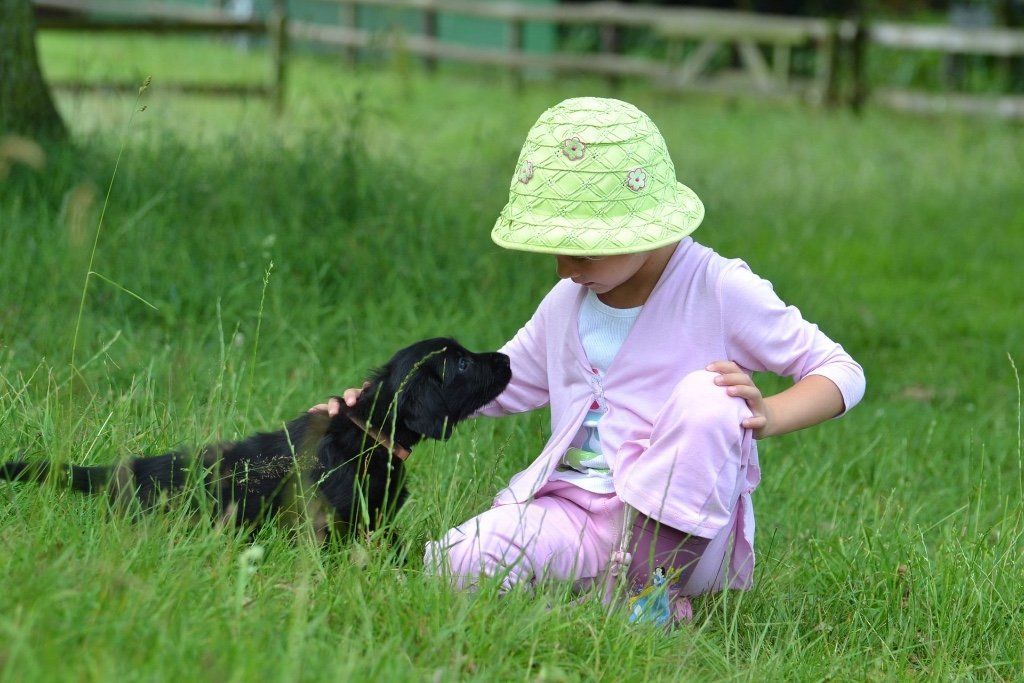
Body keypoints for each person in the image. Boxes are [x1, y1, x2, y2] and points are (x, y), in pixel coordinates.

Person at [311, 97, 865, 621]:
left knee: (709, 396)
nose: (565, 267)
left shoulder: (717, 288)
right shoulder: (569, 301)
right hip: (574, 511)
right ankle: (591, 588)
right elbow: (500, 381)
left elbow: (841, 371)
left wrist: (766, 415)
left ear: (648, 227)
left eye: (584, 249)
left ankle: (648, 597)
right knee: (446, 568)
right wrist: (378, 410)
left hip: (680, 532)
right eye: (556, 248)